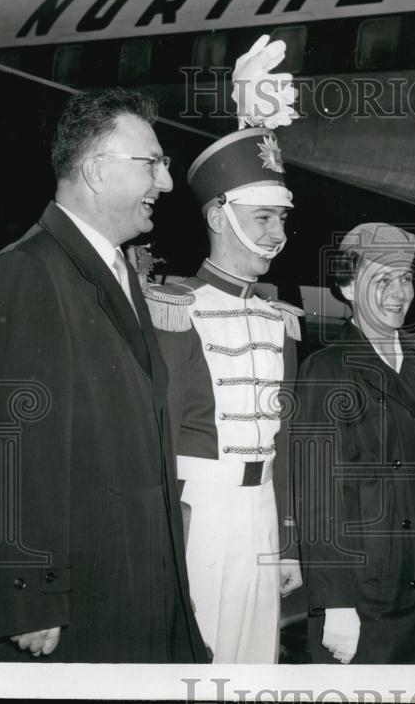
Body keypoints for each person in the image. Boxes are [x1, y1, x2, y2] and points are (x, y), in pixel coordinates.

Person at [0, 89, 207, 662]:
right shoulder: (27, 272)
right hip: (73, 607)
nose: (165, 183)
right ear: (95, 171)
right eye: (152, 164)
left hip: (133, 580)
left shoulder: (114, 271)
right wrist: (29, 597)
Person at [143, 124, 304, 663]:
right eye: (263, 217)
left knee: (258, 665)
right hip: (200, 518)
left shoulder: (279, 317)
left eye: (282, 217)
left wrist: (285, 542)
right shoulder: (173, 308)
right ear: (219, 217)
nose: (277, 232)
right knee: (197, 664)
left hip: (260, 514)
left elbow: (282, 444)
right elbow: (157, 440)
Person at [292, 223, 415, 664]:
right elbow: (318, 495)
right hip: (367, 594)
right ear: (346, 286)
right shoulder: (325, 370)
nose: (399, 293)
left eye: (406, 278)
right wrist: (337, 605)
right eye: (382, 279)